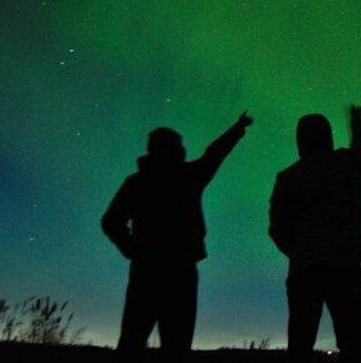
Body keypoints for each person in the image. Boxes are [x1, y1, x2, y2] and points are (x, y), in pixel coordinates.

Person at [102, 110, 253, 363]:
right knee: (174, 345)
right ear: (177, 150)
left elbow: (111, 221)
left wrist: (132, 248)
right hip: (178, 268)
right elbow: (215, 153)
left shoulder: (139, 182)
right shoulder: (188, 176)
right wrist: (237, 129)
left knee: (133, 341)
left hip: (148, 269)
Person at [269, 105, 361, 363]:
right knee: (351, 342)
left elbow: (277, 228)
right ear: (327, 136)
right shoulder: (345, 164)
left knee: (300, 343)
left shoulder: (288, 178)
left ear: (300, 141)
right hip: (345, 266)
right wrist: (359, 120)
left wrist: (299, 253)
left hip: (305, 270)